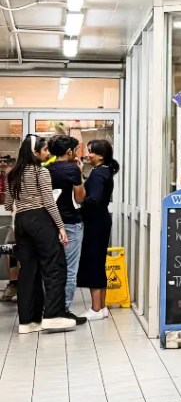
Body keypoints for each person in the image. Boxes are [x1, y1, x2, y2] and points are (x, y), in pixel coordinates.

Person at [5, 135, 75, 333]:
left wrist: (24, 200)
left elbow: (9, 205)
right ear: (35, 152)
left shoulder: (12, 174)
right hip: (40, 220)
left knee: (28, 270)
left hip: (21, 222)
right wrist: (61, 227)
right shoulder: (40, 172)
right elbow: (49, 203)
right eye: (44, 150)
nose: (47, 154)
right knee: (55, 266)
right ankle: (53, 316)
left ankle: (28, 322)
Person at [46, 135, 87, 322]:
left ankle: (50, 307)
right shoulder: (72, 169)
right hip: (70, 223)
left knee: (52, 268)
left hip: (49, 223)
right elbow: (80, 198)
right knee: (70, 269)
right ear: (69, 151)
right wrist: (81, 172)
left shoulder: (45, 169)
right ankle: (63, 310)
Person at [78, 139, 118, 322]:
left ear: (101, 155)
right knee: (99, 262)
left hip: (95, 222)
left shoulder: (100, 174)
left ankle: (95, 308)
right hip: (100, 221)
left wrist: (80, 205)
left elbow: (94, 199)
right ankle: (101, 307)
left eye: (91, 152)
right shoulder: (102, 171)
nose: (88, 155)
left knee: (93, 262)